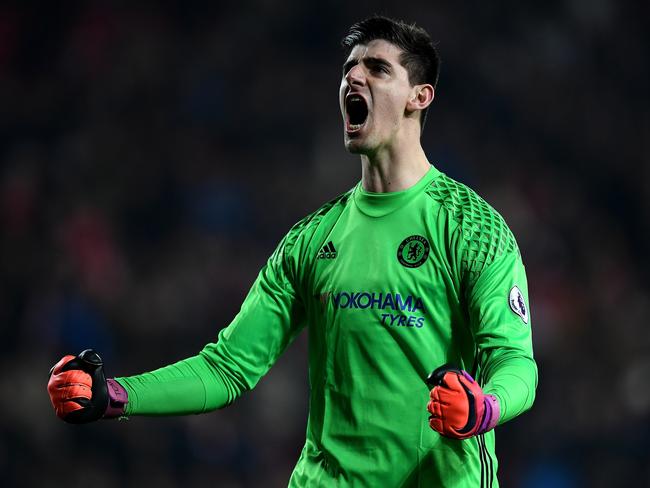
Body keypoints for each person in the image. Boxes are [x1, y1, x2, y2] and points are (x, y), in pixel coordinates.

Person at [47, 16, 537, 487]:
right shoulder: (310, 240)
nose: (354, 77)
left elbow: (516, 364)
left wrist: (483, 407)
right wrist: (114, 395)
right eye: (349, 68)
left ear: (419, 96)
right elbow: (227, 368)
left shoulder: (472, 227)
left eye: (377, 69)